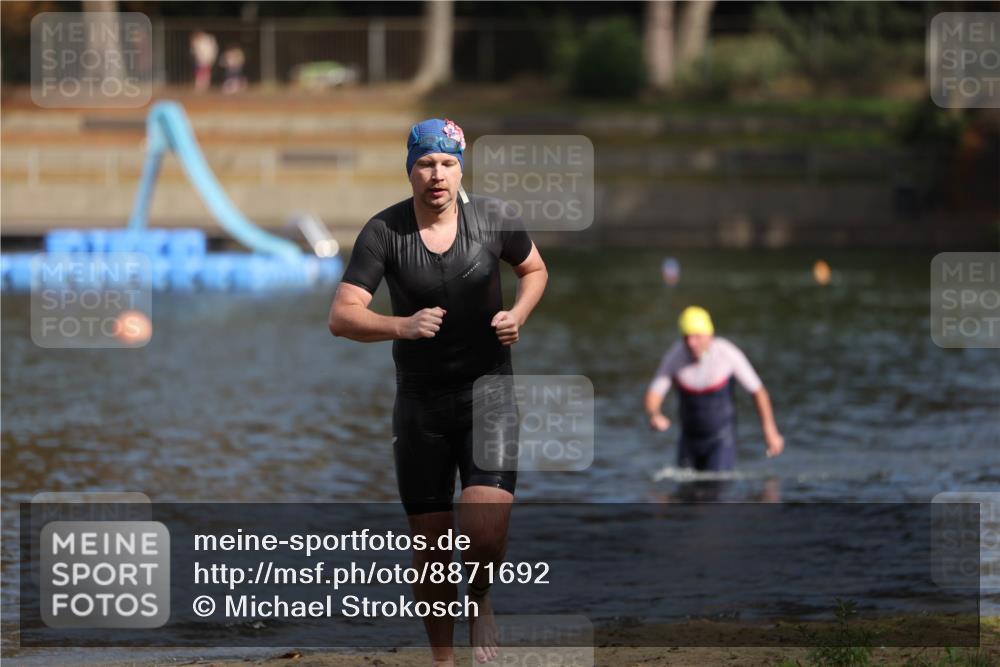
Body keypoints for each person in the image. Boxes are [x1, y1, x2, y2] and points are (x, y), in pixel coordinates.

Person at [328, 118, 548, 666]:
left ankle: (481, 598)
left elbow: (536, 269)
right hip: (421, 406)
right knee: (429, 552)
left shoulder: (494, 218)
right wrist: (400, 326)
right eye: (426, 163)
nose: (437, 175)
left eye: (448, 163)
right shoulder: (384, 233)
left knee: (481, 537)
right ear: (410, 170)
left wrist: (517, 314)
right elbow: (341, 316)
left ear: (461, 168)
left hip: (489, 398)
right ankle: (444, 661)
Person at [644, 306, 784, 472]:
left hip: (721, 440)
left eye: (697, 336)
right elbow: (654, 394)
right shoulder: (675, 356)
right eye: (686, 337)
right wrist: (654, 414)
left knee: (715, 492)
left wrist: (770, 431)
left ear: (710, 334)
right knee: (684, 494)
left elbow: (758, 392)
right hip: (689, 440)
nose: (691, 343)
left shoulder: (727, 353)